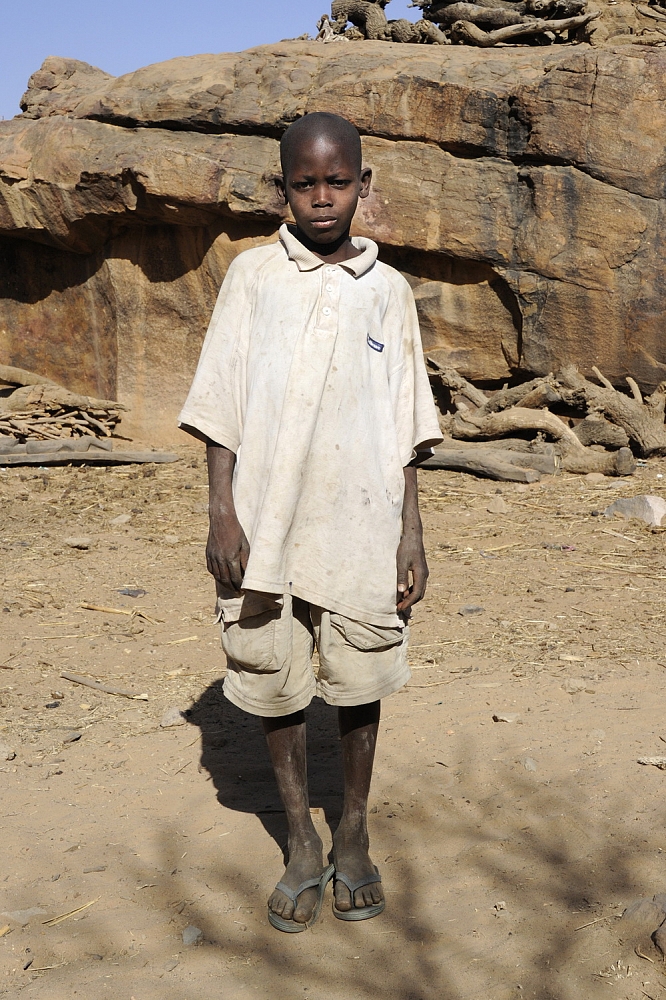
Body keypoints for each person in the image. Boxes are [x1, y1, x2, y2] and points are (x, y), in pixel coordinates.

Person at [178, 112, 442, 932]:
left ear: (364, 185)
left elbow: (404, 423)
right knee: (276, 680)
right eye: (305, 183)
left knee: (361, 679)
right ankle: (299, 839)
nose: (322, 199)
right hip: (267, 519)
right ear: (282, 187)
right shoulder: (255, 278)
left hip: (361, 520)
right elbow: (221, 404)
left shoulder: (389, 291)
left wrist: (411, 531)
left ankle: (353, 836)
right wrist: (223, 515)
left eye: (338, 182)